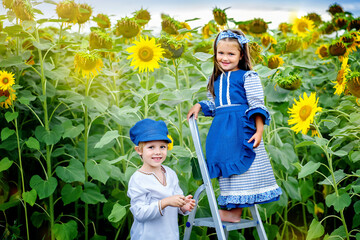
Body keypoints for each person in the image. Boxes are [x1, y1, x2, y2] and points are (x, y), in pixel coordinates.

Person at [187, 29, 282, 223]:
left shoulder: (247, 77)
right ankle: (231, 211)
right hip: (221, 133)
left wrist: (259, 131)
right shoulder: (215, 79)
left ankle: (235, 213)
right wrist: (200, 105)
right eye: (221, 53)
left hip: (241, 129)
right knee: (227, 169)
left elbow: (256, 105)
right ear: (215, 53)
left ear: (241, 56)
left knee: (243, 170)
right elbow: (215, 105)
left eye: (231, 54)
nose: (225, 58)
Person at [127, 118, 196, 240]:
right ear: (139, 150)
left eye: (162, 147)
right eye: (151, 147)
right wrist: (165, 202)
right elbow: (139, 213)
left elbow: (177, 198)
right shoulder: (138, 179)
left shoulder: (170, 173)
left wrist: (183, 206)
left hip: (170, 235)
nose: (158, 152)